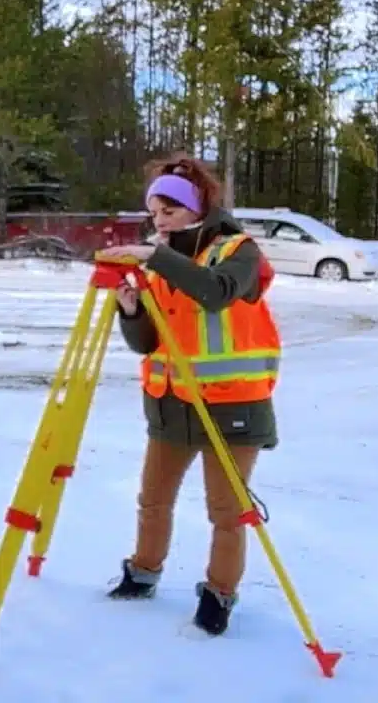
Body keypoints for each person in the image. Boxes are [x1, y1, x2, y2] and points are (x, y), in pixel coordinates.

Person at [94, 153, 281, 637]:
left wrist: (155, 256)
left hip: (233, 406)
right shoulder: (162, 260)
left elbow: (217, 292)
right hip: (171, 404)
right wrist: (132, 311)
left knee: (226, 512)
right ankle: (142, 572)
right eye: (154, 213)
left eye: (170, 211)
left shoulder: (238, 251)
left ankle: (219, 595)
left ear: (197, 207)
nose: (160, 221)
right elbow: (148, 343)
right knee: (153, 499)